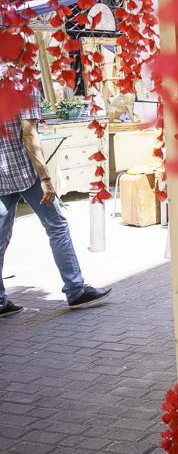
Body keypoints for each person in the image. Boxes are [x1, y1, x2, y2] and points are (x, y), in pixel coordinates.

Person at [0, 87, 111, 318]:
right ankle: (75, 290)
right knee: (56, 226)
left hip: (1, 173)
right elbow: (29, 133)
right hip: (25, 172)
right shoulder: (23, 85)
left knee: (0, 237)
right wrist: (45, 178)